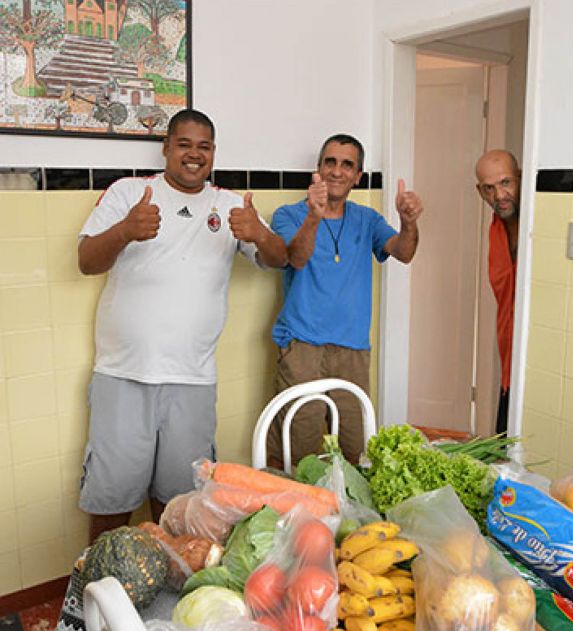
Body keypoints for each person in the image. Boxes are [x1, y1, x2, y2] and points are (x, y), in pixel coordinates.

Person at [77, 108, 287, 543]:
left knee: (181, 505)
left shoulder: (230, 205)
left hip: (193, 379)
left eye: (204, 146)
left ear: (213, 153)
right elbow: (85, 262)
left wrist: (259, 235)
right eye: (185, 144)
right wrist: (125, 231)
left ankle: (166, 597)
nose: (194, 155)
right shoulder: (130, 193)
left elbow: (278, 259)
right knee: (110, 499)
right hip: (122, 374)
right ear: (167, 148)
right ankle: (93, 592)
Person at [267, 133, 423, 467]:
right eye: (330, 162)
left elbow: (404, 252)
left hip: (352, 352)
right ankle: (295, 518)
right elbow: (295, 258)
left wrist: (409, 223)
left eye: (347, 165)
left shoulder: (367, 219)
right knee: (298, 450)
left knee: (359, 452)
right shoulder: (289, 215)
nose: (337, 171)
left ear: (358, 177)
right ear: (318, 169)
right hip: (301, 347)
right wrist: (314, 215)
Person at [474, 149, 521, 434]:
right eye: (490, 188)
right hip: (508, 358)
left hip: (531, 359)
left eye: (506, 183)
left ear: (520, 178)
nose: (499, 195)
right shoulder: (496, 229)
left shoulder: (537, 224)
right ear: (480, 192)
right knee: (503, 446)